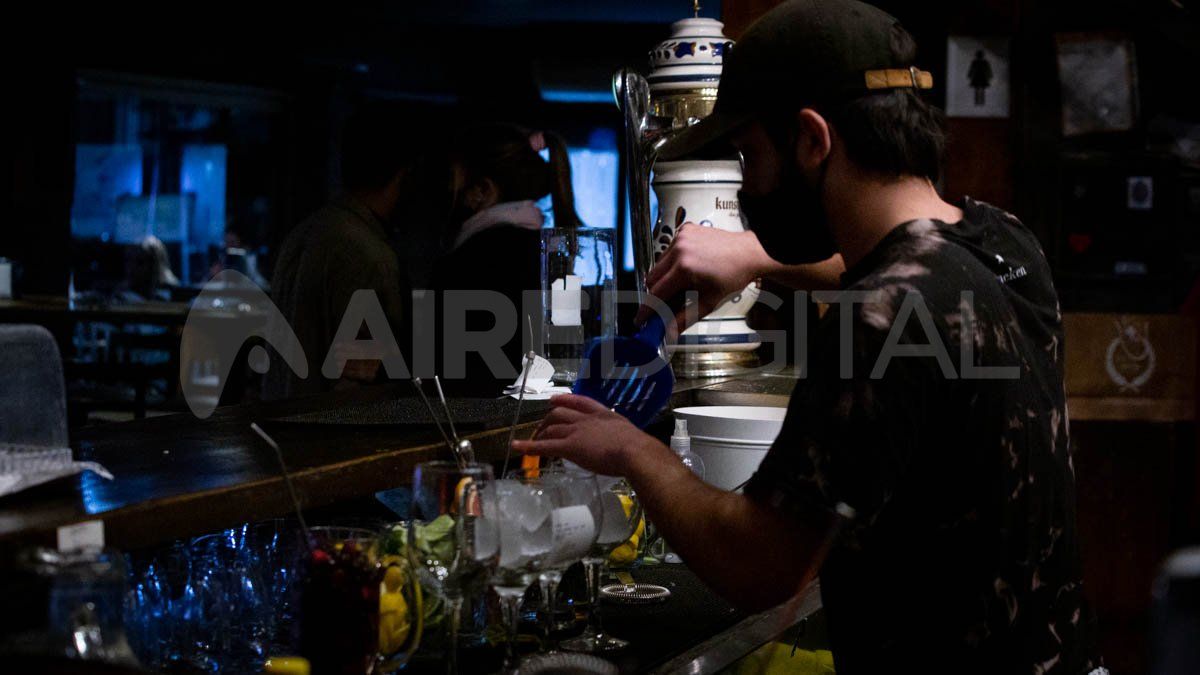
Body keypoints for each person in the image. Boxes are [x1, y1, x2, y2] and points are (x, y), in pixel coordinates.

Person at [514, 2, 1103, 674]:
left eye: (748, 155)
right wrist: (756, 256)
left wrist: (633, 452)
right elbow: (897, 261)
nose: (747, 182)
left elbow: (760, 564)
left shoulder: (872, 320)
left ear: (812, 139)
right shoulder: (1004, 242)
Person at [265, 103, 434, 400]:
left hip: (283, 430)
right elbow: (361, 386)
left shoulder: (304, 233)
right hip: (328, 440)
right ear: (406, 173)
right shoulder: (369, 255)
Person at [430, 122, 581, 394]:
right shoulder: (550, 256)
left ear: (482, 191)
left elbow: (438, 373)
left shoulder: (462, 266)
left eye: (453, 181)